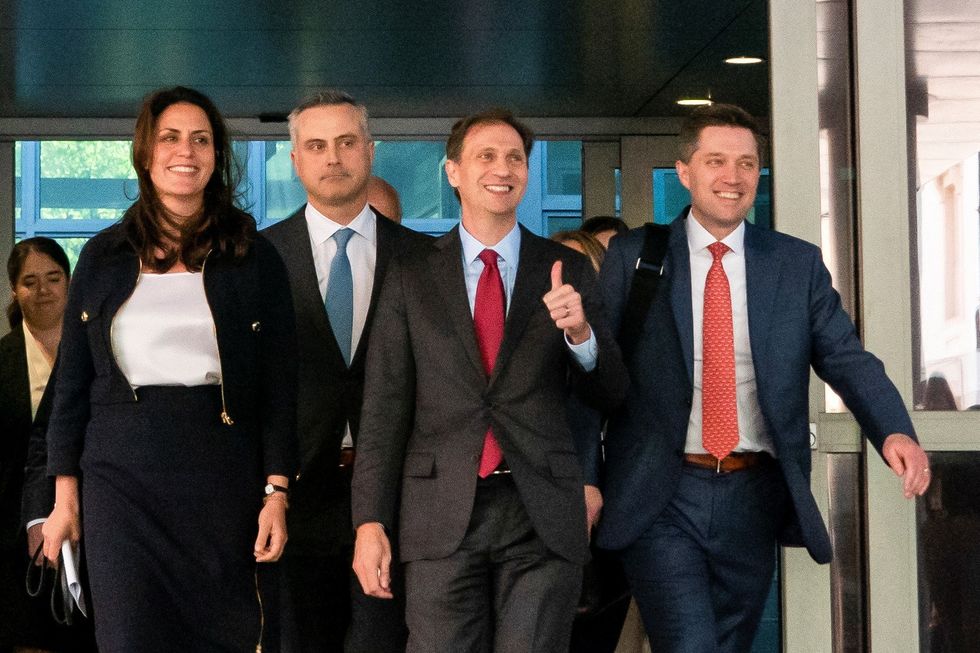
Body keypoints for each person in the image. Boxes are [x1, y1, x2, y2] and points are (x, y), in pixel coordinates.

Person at [593, 103, 931, 652]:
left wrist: (893, 429)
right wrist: (587, 477)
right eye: (716, 161)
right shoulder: (633, 257)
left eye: (747, 164)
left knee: (730, 643)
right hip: (663, 489)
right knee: (690, 643)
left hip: (753, 491)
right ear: (685, 172)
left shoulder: (795, 264)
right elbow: (598, 377)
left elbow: (845, 357)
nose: (733, 177)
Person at [351, 108, 628, 651]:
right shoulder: (411, 273)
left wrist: (580, 335)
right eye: (486, 156)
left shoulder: (565, 268)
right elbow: (384, 409)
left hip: (541, 511)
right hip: (439, 512)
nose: (503, 169)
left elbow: (612, 392)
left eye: (516, 158)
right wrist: (369, 522)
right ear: (453, 171)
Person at [40, 86, 298, 652]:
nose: (187, 151)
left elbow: (281, 388)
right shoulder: (102, 256)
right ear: (145, 152)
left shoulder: (254, 256)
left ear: (216, 155)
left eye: (201, 140)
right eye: (171, 137)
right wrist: (64, 500)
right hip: (120, 483)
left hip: (223, 479)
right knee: (130, 636)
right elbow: (71, 387)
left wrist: (276, 491)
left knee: (225, 635)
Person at [262, 90, 427, 652]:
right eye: (316, 145)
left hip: (399, 495)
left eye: (346, 142)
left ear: (370, 151)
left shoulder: (425, 260)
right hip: (295, 493)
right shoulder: (256, 259)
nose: (332, 157)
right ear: (295, 161)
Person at [0, 238, 80, 651]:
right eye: (30, 282)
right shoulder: (4, 358)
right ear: (15, 290)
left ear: (69, 282)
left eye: (53, 278)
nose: (43, 289)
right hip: (14, 534)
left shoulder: (97, 352)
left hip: (88, 520)